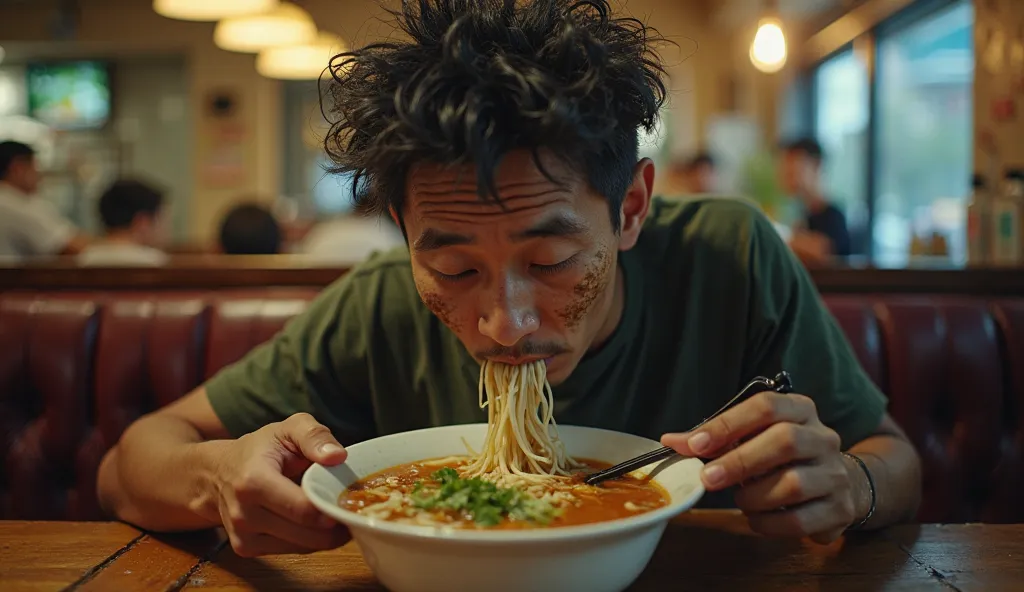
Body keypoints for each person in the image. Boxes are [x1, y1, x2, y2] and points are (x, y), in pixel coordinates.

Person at [97, 0, 921, 558]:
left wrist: (854, 485)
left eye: (550, 261)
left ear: (630, 207)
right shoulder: (378, 301)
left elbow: (896, 457)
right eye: (453, 267)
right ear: (402, 232)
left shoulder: (731, 256)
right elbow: (129, 463)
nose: (505, 322)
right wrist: (217, 479)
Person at [0, 140, 86, 261]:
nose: (39, 175)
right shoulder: (14, 204)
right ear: (18, 168)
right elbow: (69, 248)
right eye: (35, 167)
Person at [779, 138, 852, 264]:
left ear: (816, 166)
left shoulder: (834, 216)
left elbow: (824, 250)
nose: (785, 173)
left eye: (792, 167)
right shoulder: (804, 217)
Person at [78, 179, 169, 267]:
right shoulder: (157, 263)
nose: (163, 227)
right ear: (142, 221)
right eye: (160, 218)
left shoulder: (82, 260)